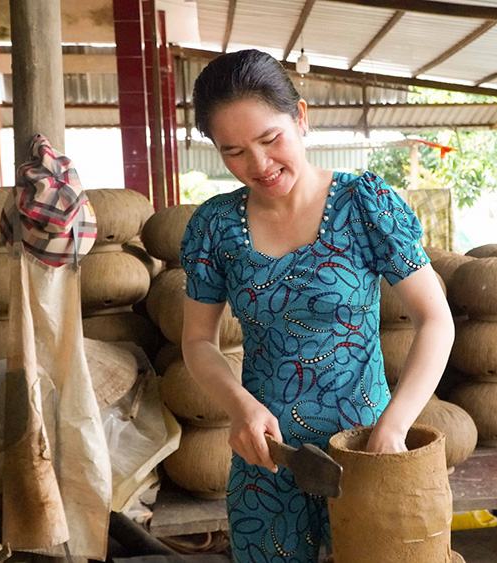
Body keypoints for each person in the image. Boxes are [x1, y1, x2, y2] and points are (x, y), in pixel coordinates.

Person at [179, 49, 454, 562]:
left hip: (367, 449)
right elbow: (197, 341)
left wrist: (394, 425)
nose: (259, 165)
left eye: (270, 139)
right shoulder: (213, 227)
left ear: (300, 117)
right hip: (266, 458)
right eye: (234, 151)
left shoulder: (364, 204)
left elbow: (435, 320)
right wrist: (239, 407)